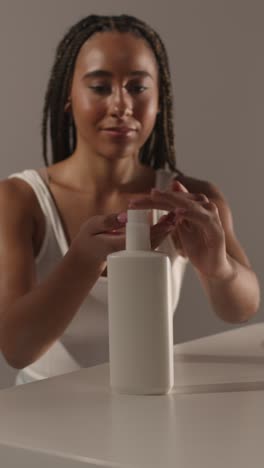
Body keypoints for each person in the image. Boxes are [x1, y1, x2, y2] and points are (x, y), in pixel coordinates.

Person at [0, 14, 260, 385]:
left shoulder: (189, 198)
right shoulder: (19, 199)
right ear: (67, 97)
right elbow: (16, 349)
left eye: (137, 88)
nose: (122, 105)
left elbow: (240, 310)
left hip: (147, 408)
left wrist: (218, 266)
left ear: (159, 100)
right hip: (43, 417)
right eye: (101, 87)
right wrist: (84, 260)